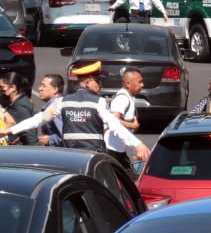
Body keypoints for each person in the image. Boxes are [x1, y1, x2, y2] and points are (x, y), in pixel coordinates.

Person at [1, 62, 150, 161]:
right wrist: (137, 144)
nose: (100, 85)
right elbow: (115, 125)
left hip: (71, 158)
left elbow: (38, 119)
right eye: (97, 81)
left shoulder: (62, 102)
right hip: (93, 158)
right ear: (88, 81)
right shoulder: (98, 102)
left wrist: (10, 130)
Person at [107, 68, 143, 178]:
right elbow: (113, 120)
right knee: (131, 179)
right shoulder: (122, 99)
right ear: (128, 83)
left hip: (118, 148)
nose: (142, 85)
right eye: (139, 82)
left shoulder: (128, 97)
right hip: (112, 149)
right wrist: (133, 125)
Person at [0, 73, 37, 145]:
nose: (0, 90)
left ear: (13, 88)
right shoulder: (15, 103)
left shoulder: (21, 106)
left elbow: (31, 136)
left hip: (22, 152)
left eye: (2, 87)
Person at [37, 74, 64, 147]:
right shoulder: (56, 104)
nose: (40, 88)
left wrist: (49, 139)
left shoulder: (56, 106)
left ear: (55, 89)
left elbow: (65, 135)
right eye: (40, 85)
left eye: (44, 86)